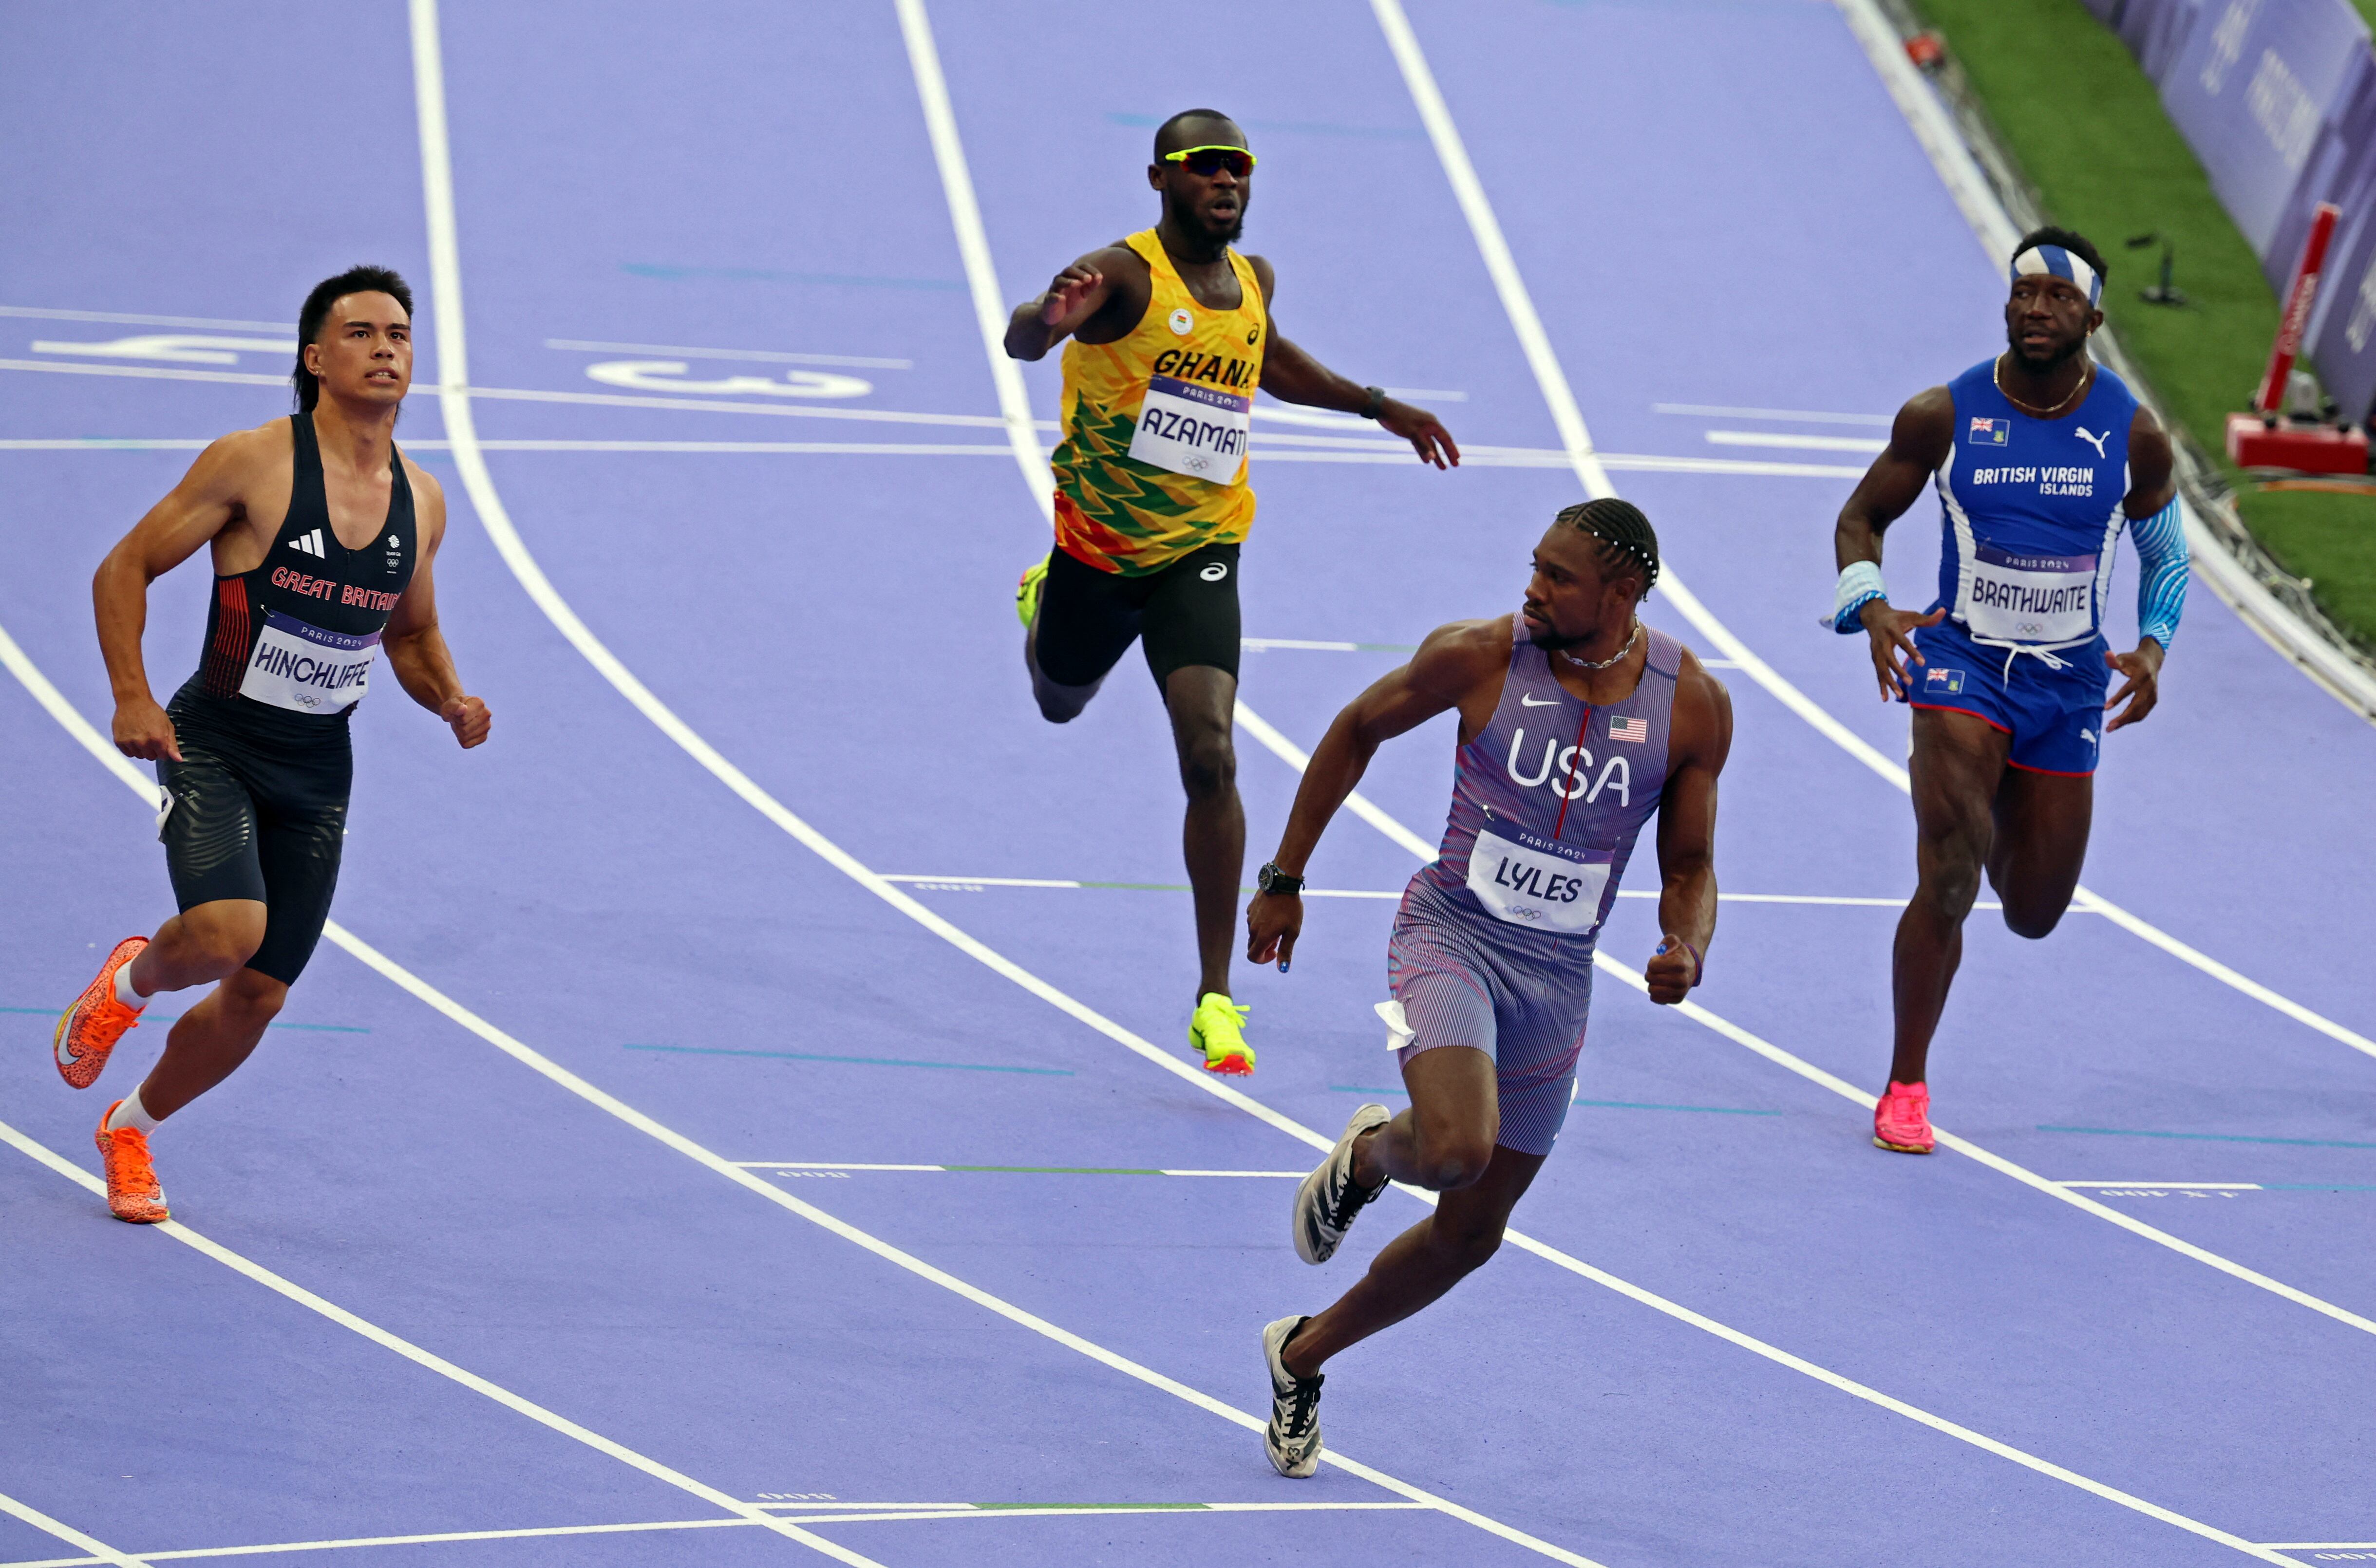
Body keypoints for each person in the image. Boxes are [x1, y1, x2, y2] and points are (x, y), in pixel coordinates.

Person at [1243, 499, 1731, 1476]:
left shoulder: (1692, 705)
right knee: (1459, 1148)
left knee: (1472, 1235)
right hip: (1450, 934)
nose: (1533, 588)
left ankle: (1300, 1352)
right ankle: (1381, 1152)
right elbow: (1355, 727)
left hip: (1559, 976)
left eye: (1559, 576)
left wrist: (1686, 941)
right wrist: (1285, 877)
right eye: (1535, 566)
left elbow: (1689, 860)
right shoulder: (1479, 656)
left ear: (1623, 592)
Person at [1004, 107, 1460, 1078]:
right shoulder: (1122, 275)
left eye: (1239, 171)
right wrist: (1045, 322)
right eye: (1205, 169)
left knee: (1211, 755)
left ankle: (1216, 998)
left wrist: (1379, 406)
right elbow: (1024, 342)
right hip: (1097, 551)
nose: (1227, 184)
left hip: (1201, 553)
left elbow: (1271, 359)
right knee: (1058, 695)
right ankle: (1044, 603)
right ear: (1160, 180)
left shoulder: (1252, 282)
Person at [51, 265, 491, 1222]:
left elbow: (409, 636)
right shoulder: (254, 464)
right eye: (363, 332)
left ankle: (130, 1128)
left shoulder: (424, 501)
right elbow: (124, 564)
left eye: (401, 335)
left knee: (258, 994)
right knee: (224, 933)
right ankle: (128, 980)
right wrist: (132, 695)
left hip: (317, 769)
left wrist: (450, 699)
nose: (386, 348)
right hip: (213, 739)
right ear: (316, 357)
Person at [1827, 226, 2187, 1155]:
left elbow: (2165, 556)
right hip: (1962, 664)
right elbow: (1861, 517)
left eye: (2058, 298)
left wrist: (2150, 649)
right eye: (2024, 292)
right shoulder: (1942, 415)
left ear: (2093, 318)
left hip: (2067, 680)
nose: (2036, 308)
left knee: (2032, 911)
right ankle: (1905, 1083)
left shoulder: (2133, 434)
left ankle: (1992, 815)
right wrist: (1868, 606)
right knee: (1947, 873)